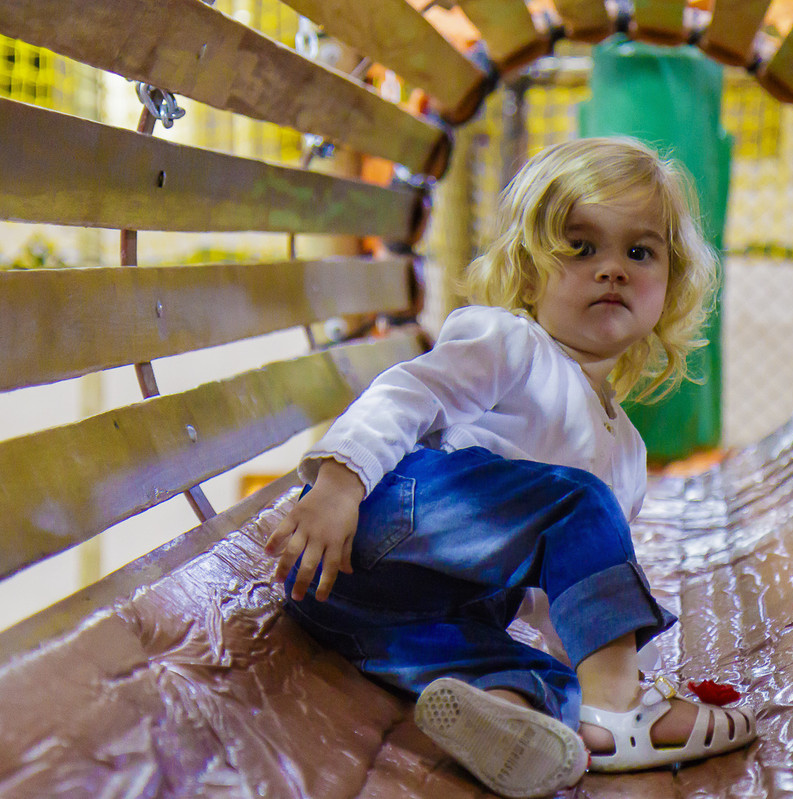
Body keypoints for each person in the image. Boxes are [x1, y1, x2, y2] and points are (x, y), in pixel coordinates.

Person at [264, 137, 756, 798]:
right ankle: (622, 716)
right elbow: (407, 393)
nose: (611, 268)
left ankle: (513, 724)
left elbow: (568, 597)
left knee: (552, 679)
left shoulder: (628, 453)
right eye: (581, 247)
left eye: (638, 252)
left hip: (384, 620)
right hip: (376, 528)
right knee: (577, 505)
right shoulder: (510, 342)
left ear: (669, 285)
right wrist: (339, 483)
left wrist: (602, 668)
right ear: (528, 273)